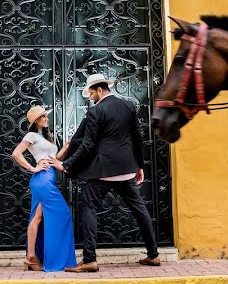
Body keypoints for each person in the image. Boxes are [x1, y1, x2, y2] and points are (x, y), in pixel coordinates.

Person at [50, 73, 160, 273]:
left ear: (99, 90)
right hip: (127, 170)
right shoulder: (128, 106)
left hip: (105, 171)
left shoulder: (96, 111)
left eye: (91, 93)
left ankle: (90, 259)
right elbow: (137, 137)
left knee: (87, 205)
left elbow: (87, 144)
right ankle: (153, 255)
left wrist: (66, 165)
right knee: (140, 209)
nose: (90, 97)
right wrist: (139, 166)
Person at [11, 105, 78, 272]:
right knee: (64, 214)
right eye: (43, 117)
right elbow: (16, 153)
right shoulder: (31, 135)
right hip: (42, 180)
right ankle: (36, 257)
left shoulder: (44, 138)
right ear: (36, 121)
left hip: (47, 179)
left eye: (46, 116)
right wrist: (32, 168)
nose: (46, 119)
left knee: (38, 218)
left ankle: (31, 257)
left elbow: (54, 158)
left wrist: (67, 146)